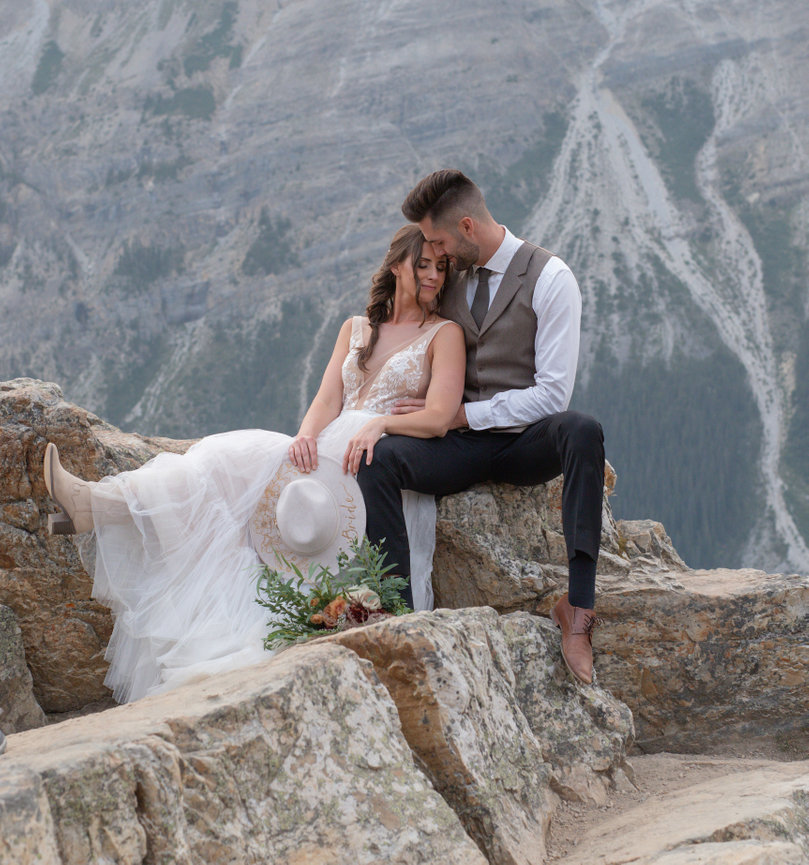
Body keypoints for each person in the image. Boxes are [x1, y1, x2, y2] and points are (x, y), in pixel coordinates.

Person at [43, 225, 466, 702]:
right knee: (221, 460)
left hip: (373, 461)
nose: (433, 276)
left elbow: (439, 417)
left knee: (243, 492)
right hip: (320, 453)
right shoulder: (357, 327)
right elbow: (328, 398)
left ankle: (96, 509)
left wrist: (382, 425)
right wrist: (305, 435)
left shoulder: (443, 334)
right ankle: (95, 503)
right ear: (396, 266)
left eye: (441, 267)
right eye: (422, 265)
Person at [357, 169, 605, 685]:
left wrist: (468, 414)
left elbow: (552, 394)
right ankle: (397, 616)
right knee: (377, 460)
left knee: (581, 429)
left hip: (521, 445)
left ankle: (578, 610)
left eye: (439, 240)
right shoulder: (450, 276)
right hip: (456, 447)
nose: (434, 252)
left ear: (467, 227)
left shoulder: (552, 278)